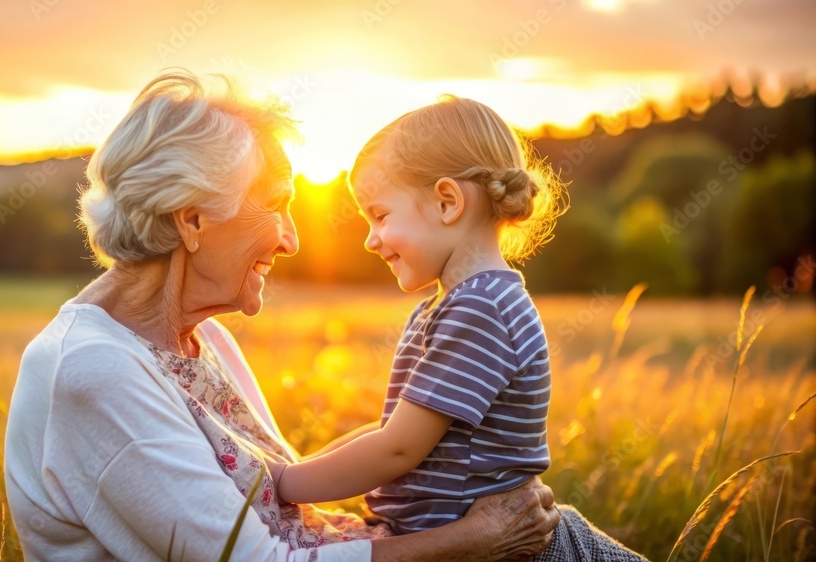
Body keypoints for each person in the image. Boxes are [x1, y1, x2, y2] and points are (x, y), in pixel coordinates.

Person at [3, 70, 561, 561]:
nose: (292, 240)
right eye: (275, 203)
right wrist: (468, 544)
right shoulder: (95, 373)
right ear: (193, 220)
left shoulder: (206, 339)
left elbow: (297, 493)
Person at [267, 96, 647, 561]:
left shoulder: (481, 309)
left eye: (380, 215)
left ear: (447, 202)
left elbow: (397, 449)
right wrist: (294, 470)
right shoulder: (449, 305)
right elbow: (392, 430)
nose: (369, 239)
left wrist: (281, 485)